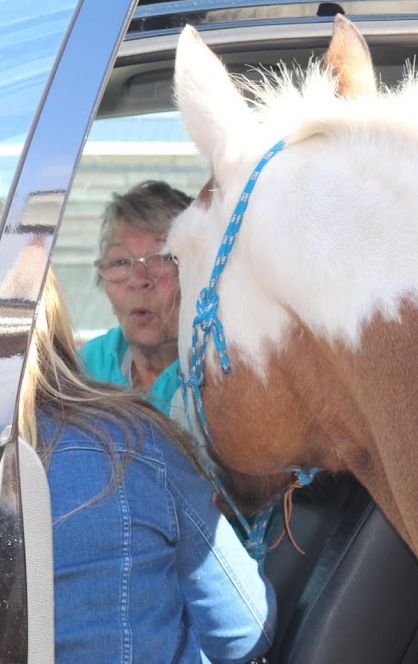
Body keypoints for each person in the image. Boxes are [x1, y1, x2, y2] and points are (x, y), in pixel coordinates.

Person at [19, 269, 276, 663]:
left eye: (158, 262)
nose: (139, 279)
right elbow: (241, 630)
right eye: (121, 264)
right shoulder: (135, 442)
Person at [79, 180, 191, 418]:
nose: (138, 279)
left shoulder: (221, 370)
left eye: (163, 257)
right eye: (120, 262)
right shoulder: (85, 368)